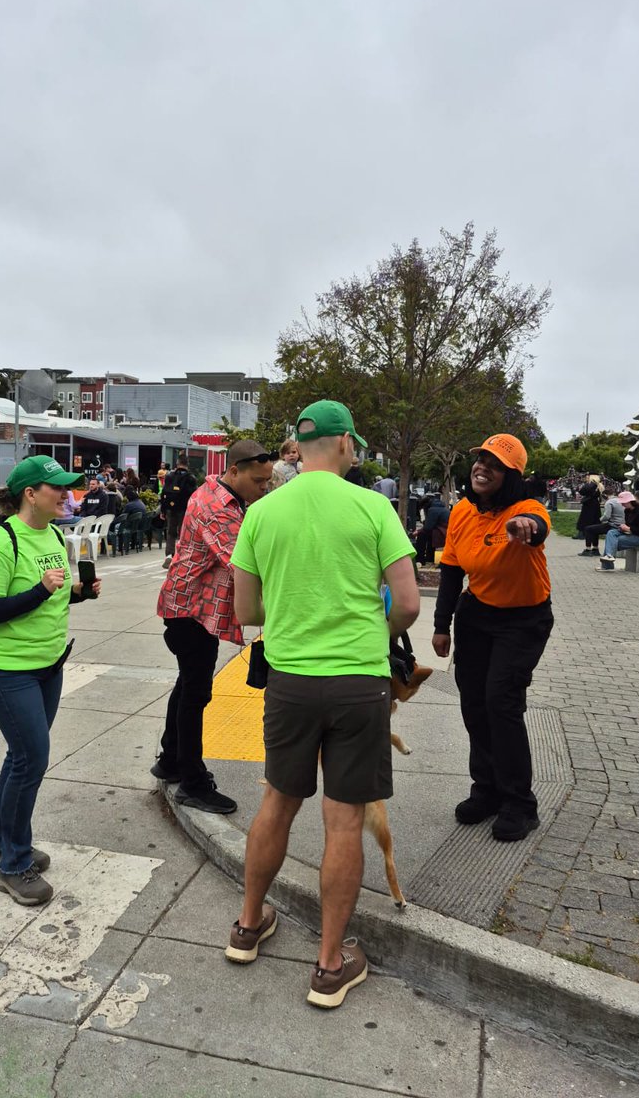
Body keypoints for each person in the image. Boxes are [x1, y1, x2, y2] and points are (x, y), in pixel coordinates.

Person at [226, 400, 419, 1009]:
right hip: (358, 683)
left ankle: (248, 926)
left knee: (277, 803)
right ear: (341, 444)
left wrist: (294, 612)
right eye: (354, 442)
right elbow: (408, 604)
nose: (355, 450)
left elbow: (246, 611)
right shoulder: (373, 507)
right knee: (343, 821)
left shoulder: (261, 512)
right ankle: (330, 966)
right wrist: (373, 633)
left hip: (290, 683)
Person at [0, 455, 101, 906]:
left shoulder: (54, 535)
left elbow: (52, 597)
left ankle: (2, 844)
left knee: (21, 757)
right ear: (30, 494)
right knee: (31, 759)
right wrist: (40, 590)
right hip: (7, 669)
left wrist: (77, 592)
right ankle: (13, 865)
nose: (66, 494)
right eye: (57, 487)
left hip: (48, 664)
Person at [432, 433, 553, 843]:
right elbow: (451, 572)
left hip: (523, 620)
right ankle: (486, 790)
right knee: (474, 704)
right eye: (481, 460)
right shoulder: (463, 511)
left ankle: (520, 803)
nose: (482, 468)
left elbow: (538, 525)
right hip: (477, 615)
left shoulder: (526, 509)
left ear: (512, 475)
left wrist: (528, 528)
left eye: (495, 464)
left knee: (501, 703)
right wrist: (441, 625)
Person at [152, 441, 274, 813]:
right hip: (190, 612)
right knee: (196, 693)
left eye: (267, 482)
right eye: (259, 481)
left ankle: (170, 759)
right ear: (234, 470)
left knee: (187, 684)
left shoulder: (216, 493)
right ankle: (192, 782)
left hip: (188, 608)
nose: (264, 488)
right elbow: (245, 563)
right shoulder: (217, 509)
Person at [599, 491, 639, 569]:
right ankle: (609, 558)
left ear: (629, 501)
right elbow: (629, 524)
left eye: (623, 503)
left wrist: (629, 528)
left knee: (611, 542)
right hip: (629, 532)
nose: (622, 504)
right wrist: (624, 527)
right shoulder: (627, 511)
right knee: (611, 533)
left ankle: (607, 565)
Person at [160, 455, 197, 567]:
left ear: (177, 463)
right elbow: (194, 495)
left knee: (171, 532)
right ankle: (181, 557)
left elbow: (163, 493)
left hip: (170, 508)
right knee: (183, 533)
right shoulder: (190, 478)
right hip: (184, 509)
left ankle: (169, 555)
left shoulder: (169, 476)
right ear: (187, 464)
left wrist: (163, 510)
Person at [579, 486, 623, 557]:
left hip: (613, 525)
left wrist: (599, 520)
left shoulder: (609, 502)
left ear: (605, 495)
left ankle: (588, 549)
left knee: (588, 529)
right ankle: (595, 549)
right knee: (595, 529)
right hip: (621, 524)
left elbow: (607, 516)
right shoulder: (619, 500)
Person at [414, 493, 450, 564]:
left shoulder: (432, 510)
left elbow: (428, 527)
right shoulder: (441, 508)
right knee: (429, 535)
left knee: (422, 535)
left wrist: (418, 531)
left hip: (442, 532)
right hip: (445, 530)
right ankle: (429, 558)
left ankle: (420, 558)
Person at [575, 476, 602, 541]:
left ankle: (582, 534)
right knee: (594, 519)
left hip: (589, 503)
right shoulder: (599, 485)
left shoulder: (590, 484)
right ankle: (592, 534)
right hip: (595, 503)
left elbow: (582, 491)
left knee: (584, 519)